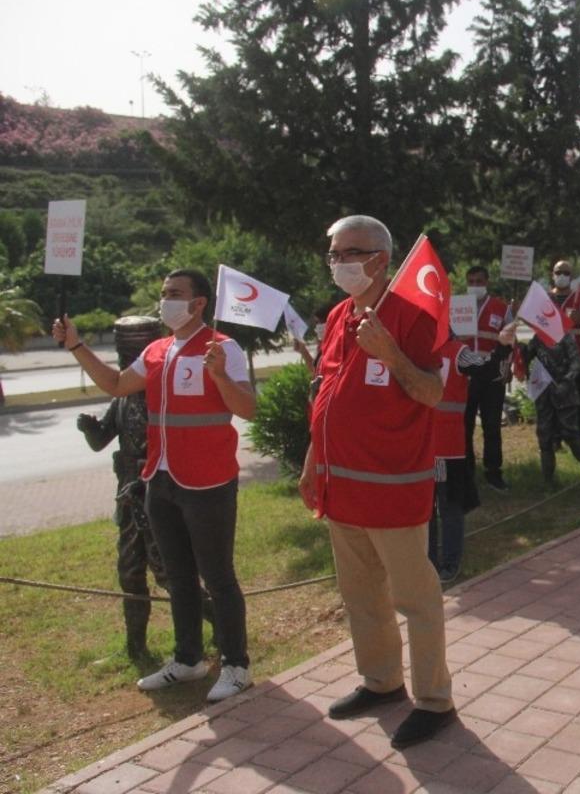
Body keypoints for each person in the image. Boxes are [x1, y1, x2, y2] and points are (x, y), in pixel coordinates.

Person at [54, 270, 256, 703]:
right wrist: (75, 345)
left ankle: (237, 665)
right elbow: (115, 384)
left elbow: (248, 408)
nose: (166, 301)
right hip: (159, 479)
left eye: (175, 294)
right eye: (164, 294)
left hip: (208, 481)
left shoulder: (223, 348)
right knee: (180, 578)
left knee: (218, 577)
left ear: (199, 303)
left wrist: (220, 376)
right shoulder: (157, 349)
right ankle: (188, 660)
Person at [300, 215, 455, 748]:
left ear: (381, 259)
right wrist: (311, 462)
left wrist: (390, 352)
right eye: (334, 254)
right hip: (341, 486)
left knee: (416, 598)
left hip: (393, 489)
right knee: (361, 595)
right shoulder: (340, 315)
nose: (338, 263)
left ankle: (435, 700)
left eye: (350, 253)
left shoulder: (412, 315)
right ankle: (382, 681)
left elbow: (433, 393)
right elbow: (325, 394)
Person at [75, 315, 170, 658]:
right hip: (129, 502)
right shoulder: (123, 397)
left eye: (131, 351)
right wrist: (90, 429)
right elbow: (102, 441)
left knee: (168, 575)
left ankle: (219, 628)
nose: (125, 358)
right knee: (130, 575)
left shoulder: (162, 393)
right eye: (122, 351)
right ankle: (135, 648)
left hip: (157, 500)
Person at [429, 333, 513, 583]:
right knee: (425, 510)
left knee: (449, 506)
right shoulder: (415, 349)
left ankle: (450, 562)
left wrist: (502, 347)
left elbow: (490, 371)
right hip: (420, 448)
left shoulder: (459, 352)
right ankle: (428, 562)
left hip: (448, 448)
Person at [512, 318, 580, 487]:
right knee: (545, 438)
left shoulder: (565, 337)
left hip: (564, 394)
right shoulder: (538, 339)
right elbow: (526, 356)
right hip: (545, 395)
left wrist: (567, 381)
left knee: (571, 436)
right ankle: (548, 481)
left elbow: (576, 362)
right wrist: (518, 346)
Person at [462, 265, 512, 492]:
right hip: (465, 375)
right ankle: (467, 472)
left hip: (491, 376)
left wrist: (507, 369)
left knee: (492, 426)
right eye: (471, 281)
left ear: (487, 282)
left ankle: (494, 474)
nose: (474, 286)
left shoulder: (501, 308)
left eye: (479, 281)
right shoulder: (458, 306)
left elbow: (510, 342)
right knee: (464, 426)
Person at [550, 260, 580, 440]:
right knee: (553, 402)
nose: (561, 276)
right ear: (552, 274)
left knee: (577, 402)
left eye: (566, 273)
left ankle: (579, 439)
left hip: (574, 361)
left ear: (571, 276)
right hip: (551, 361)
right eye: (558, 272)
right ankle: (555, 440)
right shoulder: (546, 299)